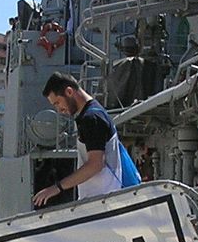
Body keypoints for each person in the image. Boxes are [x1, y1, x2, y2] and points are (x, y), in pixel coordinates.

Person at [32, 73, 132, 206]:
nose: (59, 110)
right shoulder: (94, 112)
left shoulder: (91, 118)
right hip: (102, 199)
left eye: (57, 103)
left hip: (103, 201)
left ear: (69, 92)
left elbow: (95, 164)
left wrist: (57, 188)